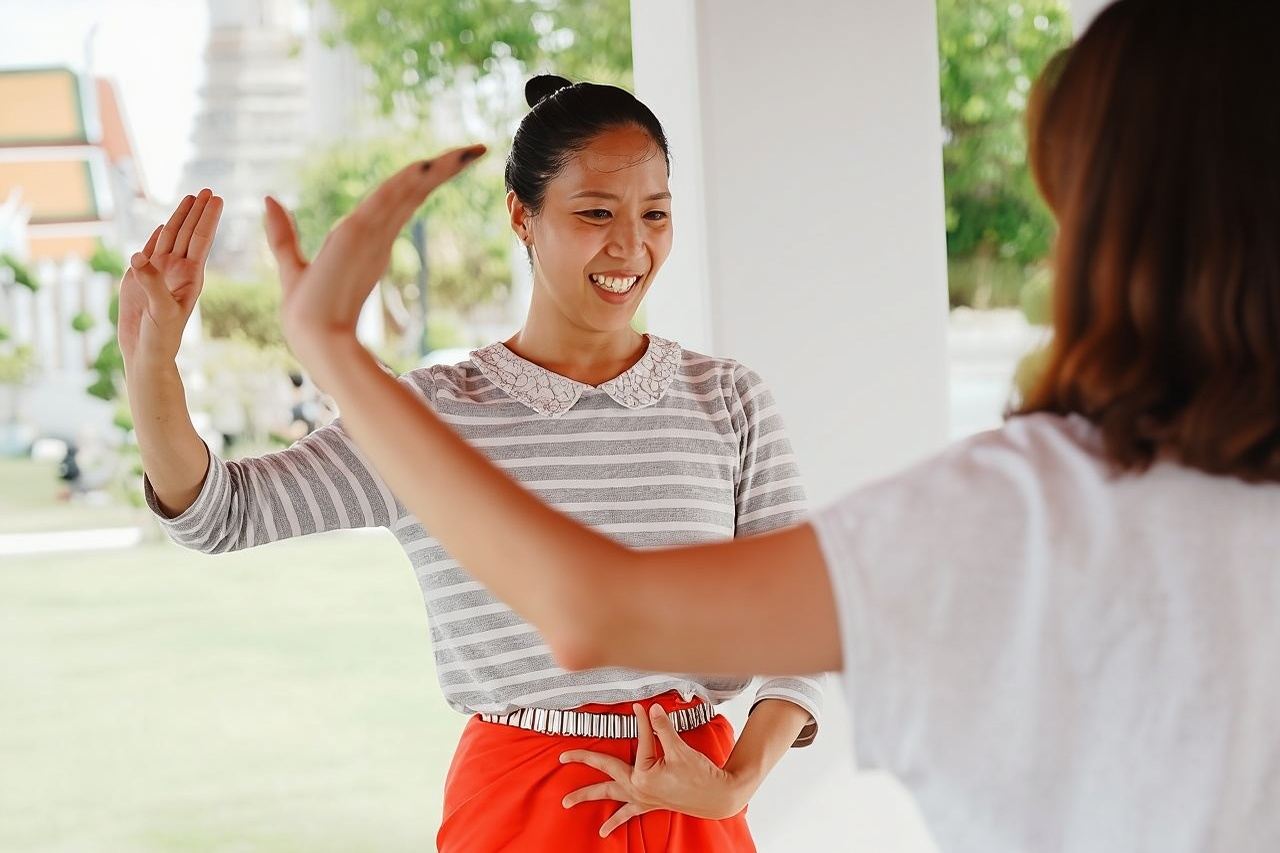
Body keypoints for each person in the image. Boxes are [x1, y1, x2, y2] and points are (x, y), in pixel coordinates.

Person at [259, 2, 1279, 851]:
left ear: (1099, 213)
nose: (630, 243)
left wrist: (336, 352)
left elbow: (591, 608)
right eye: (598, 212)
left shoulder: (1018, 510)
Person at [122, 76, 822, 850]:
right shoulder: (429, 415)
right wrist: (151, 359)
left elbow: (800, 625)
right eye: (595, 213)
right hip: (521, 806)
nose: (631, 245)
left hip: (697, 802)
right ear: (522, 214)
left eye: (655, 214)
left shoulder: (727, 399)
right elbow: (219, 513)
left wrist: (734, 783)